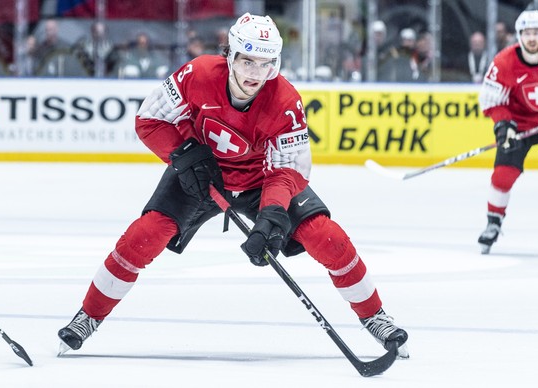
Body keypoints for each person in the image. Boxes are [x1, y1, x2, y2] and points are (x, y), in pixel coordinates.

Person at [57, 13, 409, 359]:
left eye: (266, 63)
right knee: (144, 235)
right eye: (248, 61)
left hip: (262, 180)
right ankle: (88, 316)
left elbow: (288, 170)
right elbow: (150, 119)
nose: (256, 73)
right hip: (201, 173)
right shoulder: (197, 74)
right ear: (231, 56)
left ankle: (375, 316)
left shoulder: (285, 102)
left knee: (325, 235)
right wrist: (181, 153)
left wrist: (272, 215)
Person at [477, 10, 538, 254]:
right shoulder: (504, 62)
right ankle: (493, 223)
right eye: (527, 33)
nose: (532, 38)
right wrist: (503, 125)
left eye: (536, 33)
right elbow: (490, 101)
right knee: (503, 174)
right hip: (518, 127)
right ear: (519, 35)